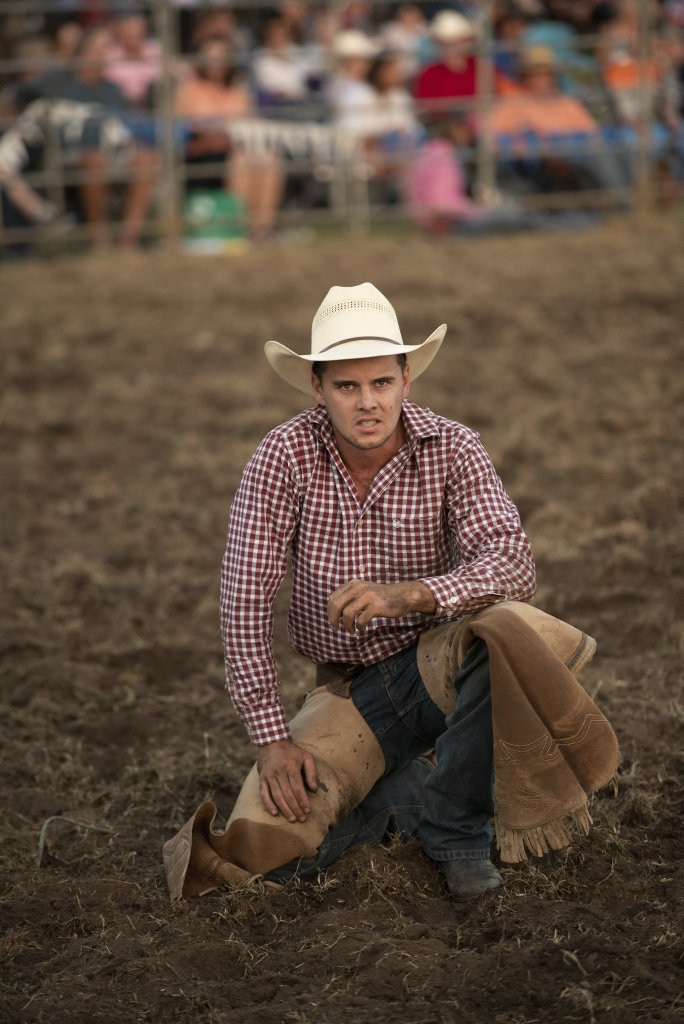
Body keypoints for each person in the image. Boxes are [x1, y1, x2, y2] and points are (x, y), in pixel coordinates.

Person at [219, 282, 537, 900]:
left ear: (406, 378)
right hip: (346, 688)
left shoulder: (454, 447)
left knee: (506, 632)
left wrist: (408, 596)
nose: (368, 403)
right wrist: (271, 739)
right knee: (266, 853)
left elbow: (513, 565)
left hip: (436, 665)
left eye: (381, 383)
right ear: (317, 388)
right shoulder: (283, 456)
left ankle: (457, 833)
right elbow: (243, 601)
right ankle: (414, 793)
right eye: (346, 386)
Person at [174, 34, 284, 241]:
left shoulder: (237, 92)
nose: (216, 63)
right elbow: (180, 128)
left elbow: (249, 125)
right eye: (211, 57)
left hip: (234, 146)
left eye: (221, 57)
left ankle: (262, 229)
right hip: (202, 151)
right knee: (242, 160)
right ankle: (240, 228)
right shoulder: (188, 90)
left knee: (269, 158)